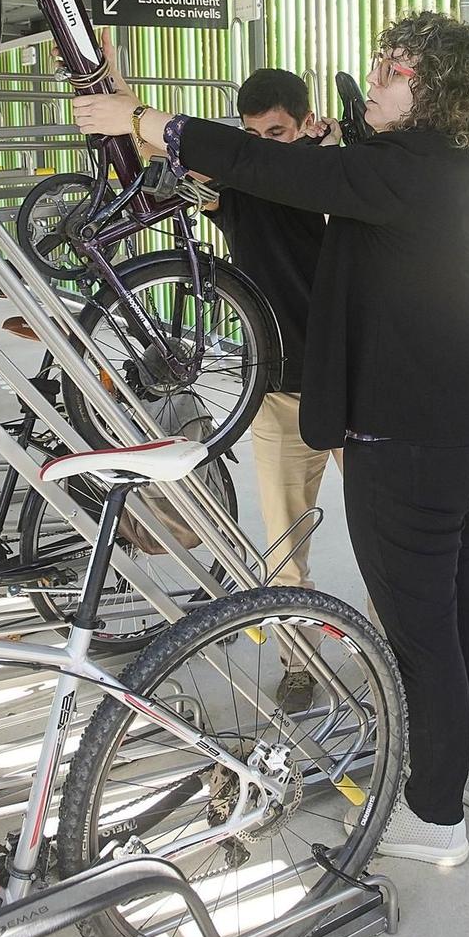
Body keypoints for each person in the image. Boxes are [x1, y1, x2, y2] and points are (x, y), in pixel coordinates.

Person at [75, 10, 469, 868]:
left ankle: (435, 817)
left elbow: (257, 161)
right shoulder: (455, 169)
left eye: (396, 65)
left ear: (431, 90)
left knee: (421, 630)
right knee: (461, 599)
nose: (379, 70)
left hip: (416, 443)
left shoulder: (394, 176)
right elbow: (282, 161)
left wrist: (138, 120)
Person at [200, 68, 341, 714]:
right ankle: (299, 664)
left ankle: (398, 665)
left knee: (387, 547)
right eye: (250, 136)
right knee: (284, 551)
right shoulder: (236, 187)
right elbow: (173, 160)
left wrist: (336, 140)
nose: (261, 148)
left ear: (304, 125)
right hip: (277, 394)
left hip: (354, 389)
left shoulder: (333, 175)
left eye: (275, 134)